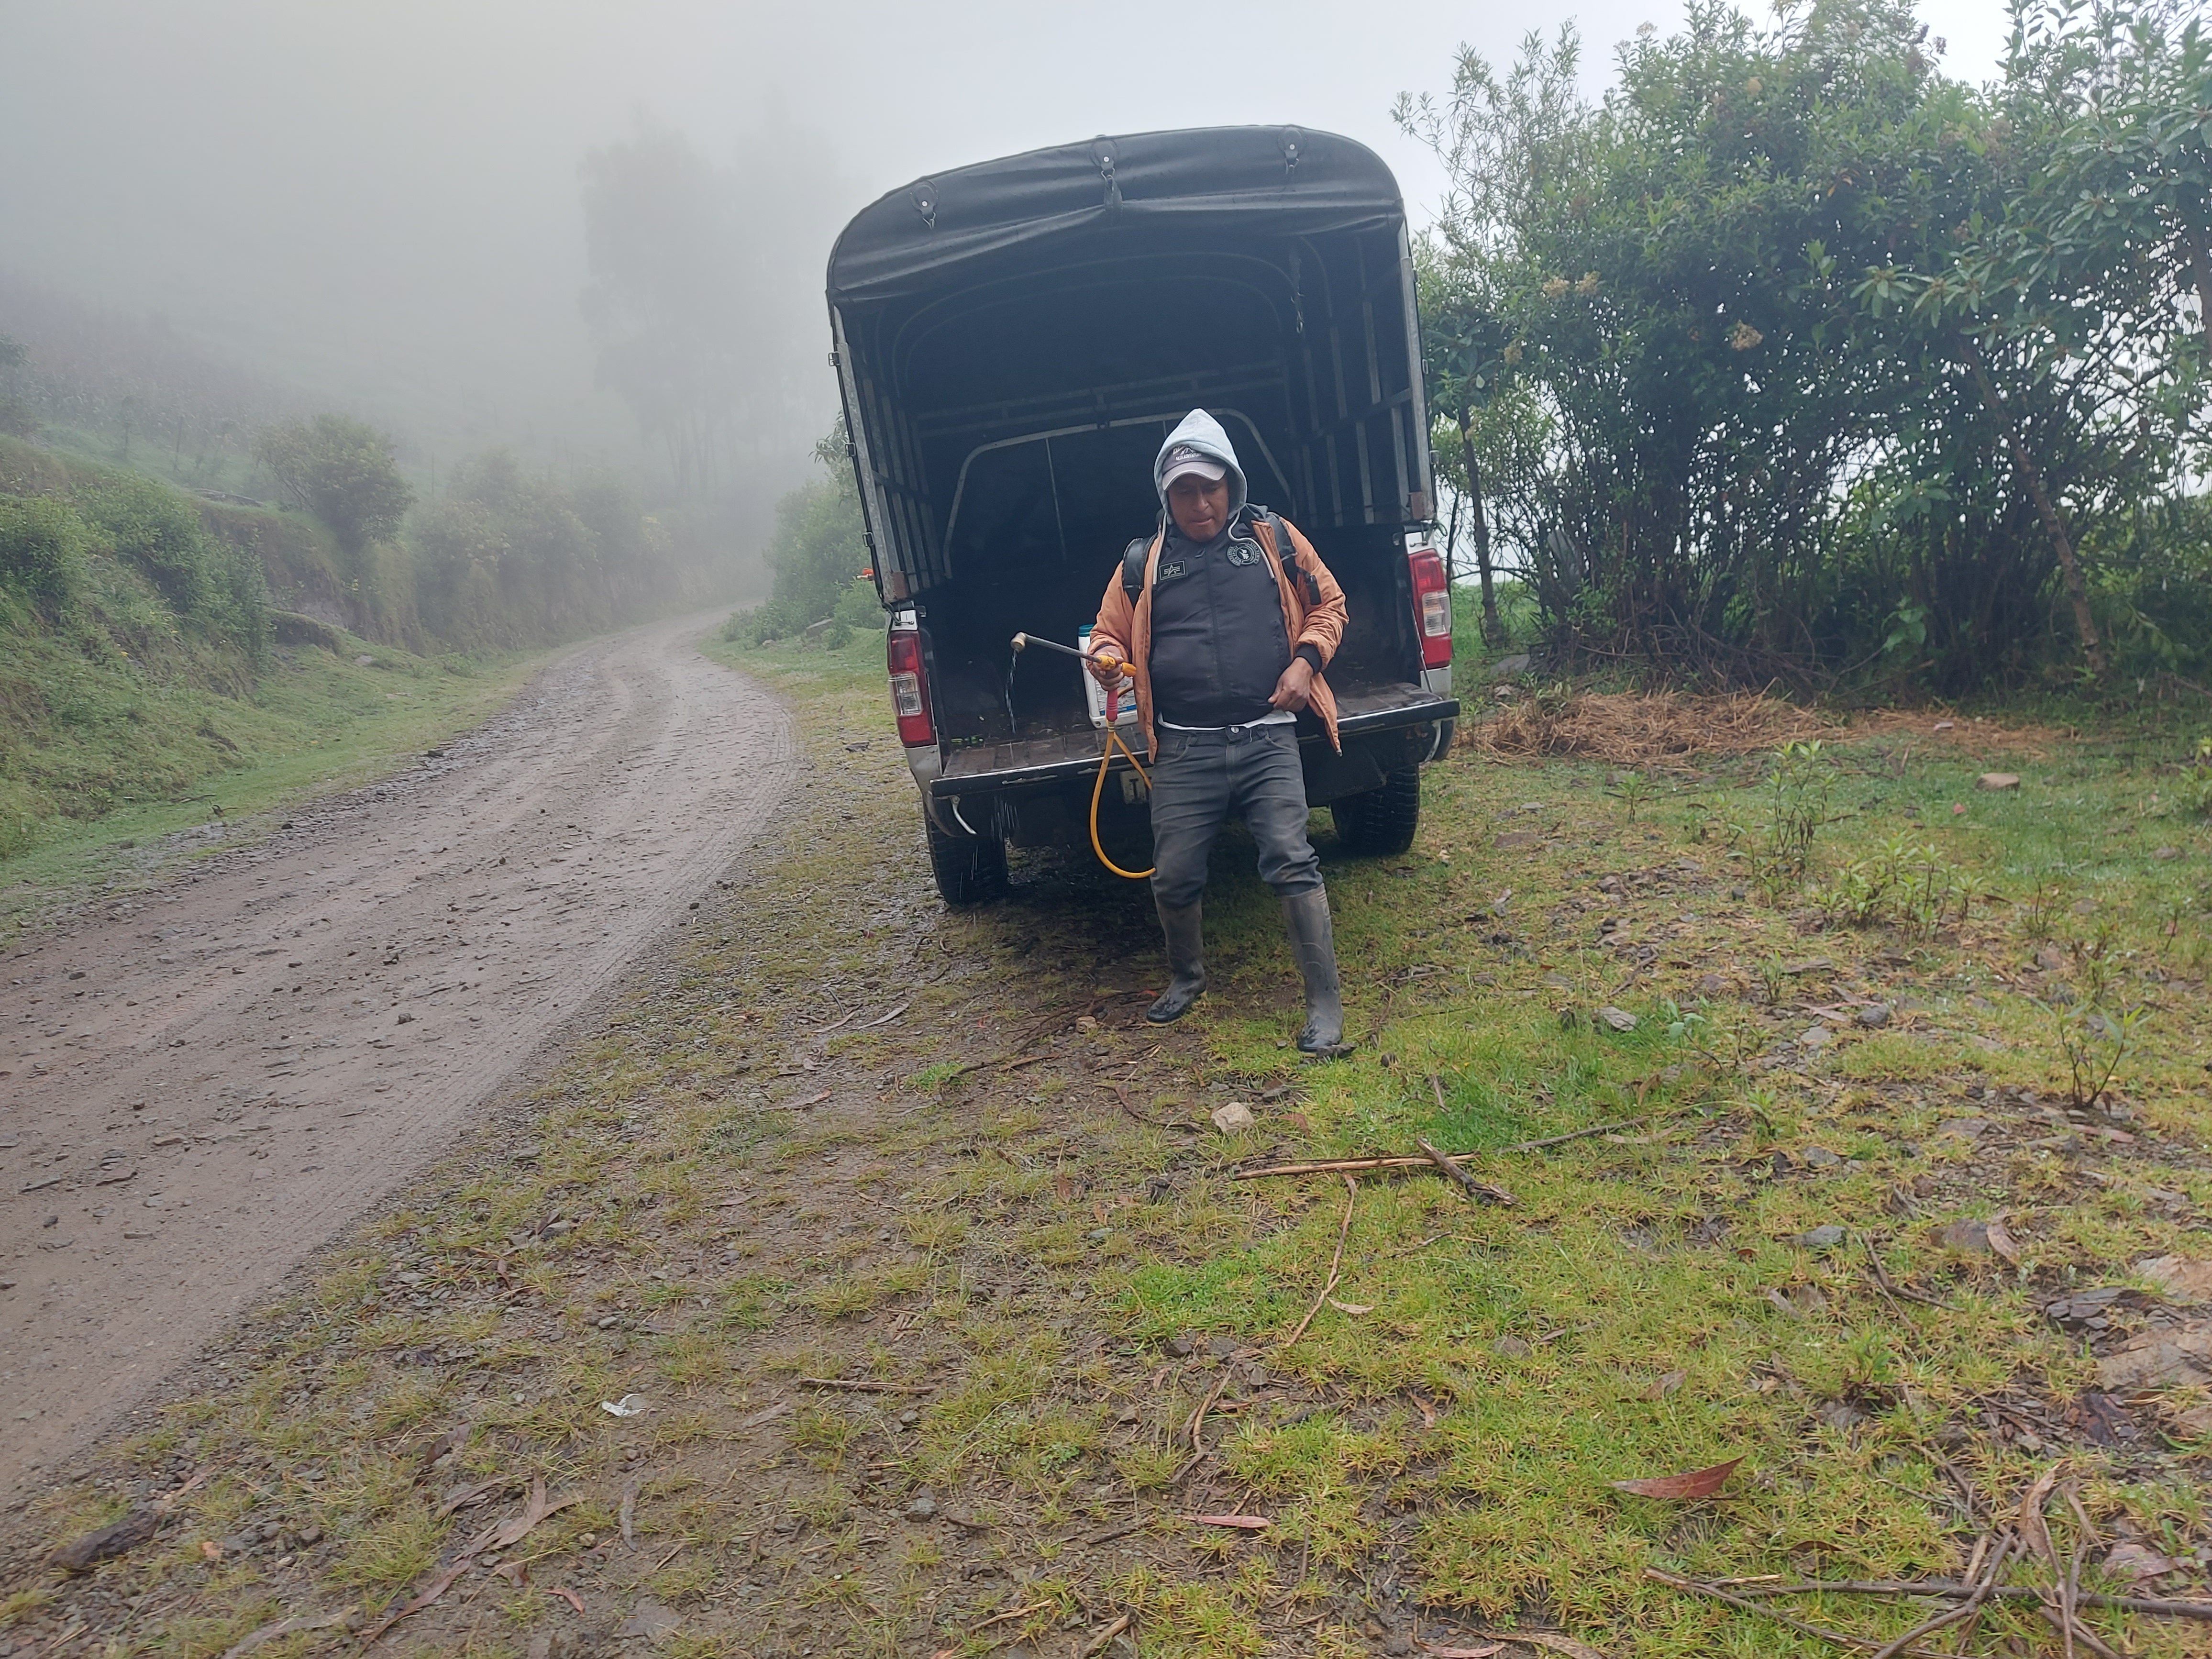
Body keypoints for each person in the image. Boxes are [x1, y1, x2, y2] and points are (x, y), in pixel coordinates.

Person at [1087, 409, 1350, 1055]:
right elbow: (1106, 634)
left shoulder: (1274, 539)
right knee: (1174, 875)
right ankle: (1187, 977)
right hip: (1183, 747)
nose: (1200, 503)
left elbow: (1330, 605)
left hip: (1267, 737)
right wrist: (1105, 658)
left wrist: (1305, 663)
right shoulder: (1142, 561)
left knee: (1291, 858)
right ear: (1166, 496)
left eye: (1210, 487)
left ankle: (1324, 1004)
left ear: (1231, 482)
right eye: (1185, 491)